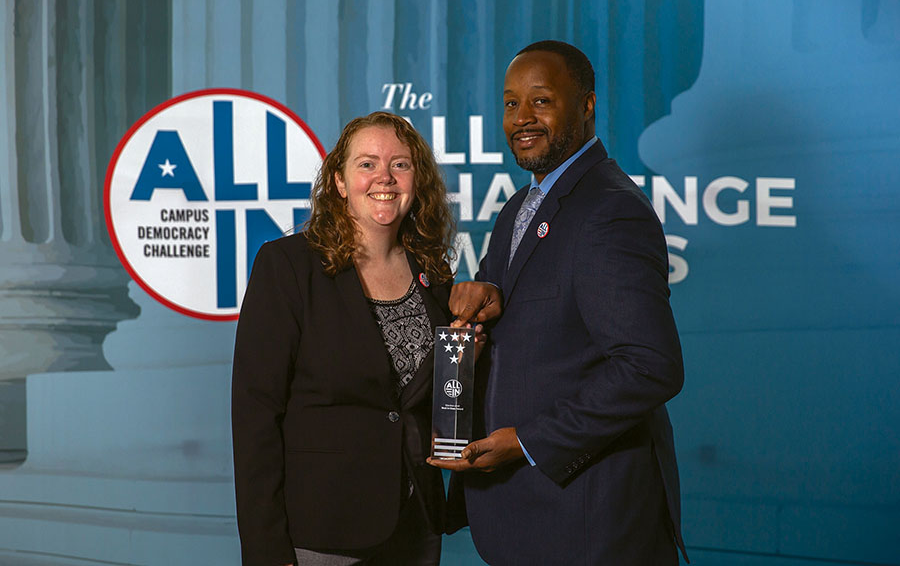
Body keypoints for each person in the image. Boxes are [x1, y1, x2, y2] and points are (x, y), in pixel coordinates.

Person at [430, 41, 688, 565]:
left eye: (541, 101)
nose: (521, 118)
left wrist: (527, 441)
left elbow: (650, 366)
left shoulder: (610, 210)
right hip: (524, 518)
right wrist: (480, 300)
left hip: (589, 525)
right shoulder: (518, 210)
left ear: (587, 105)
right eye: (510, 103)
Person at [232, 111, 457, 565]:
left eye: (400, 164)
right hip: (322, 531)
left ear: (418, 178)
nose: (385, 178)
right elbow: (255, 416)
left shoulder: (434, 274)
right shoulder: (288, 267)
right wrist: (265, 549)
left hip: (415, 525)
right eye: (367, 164)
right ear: (338, 181)